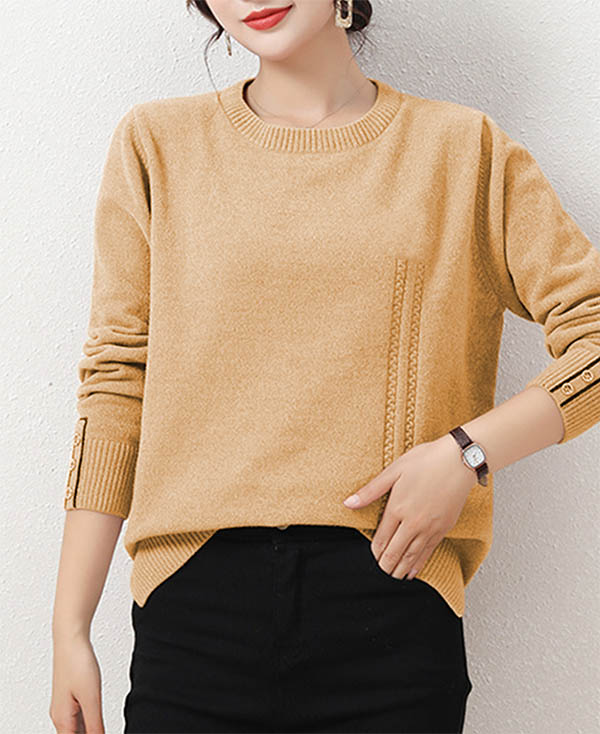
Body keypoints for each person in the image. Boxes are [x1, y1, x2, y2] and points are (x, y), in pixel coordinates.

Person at [50, 1, 600, 733]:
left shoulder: (461, 150)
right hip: (192, 610)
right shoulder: (158, 144)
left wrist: (468, 453)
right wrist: (70, 627)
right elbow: (118, 380)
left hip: (394, 601)